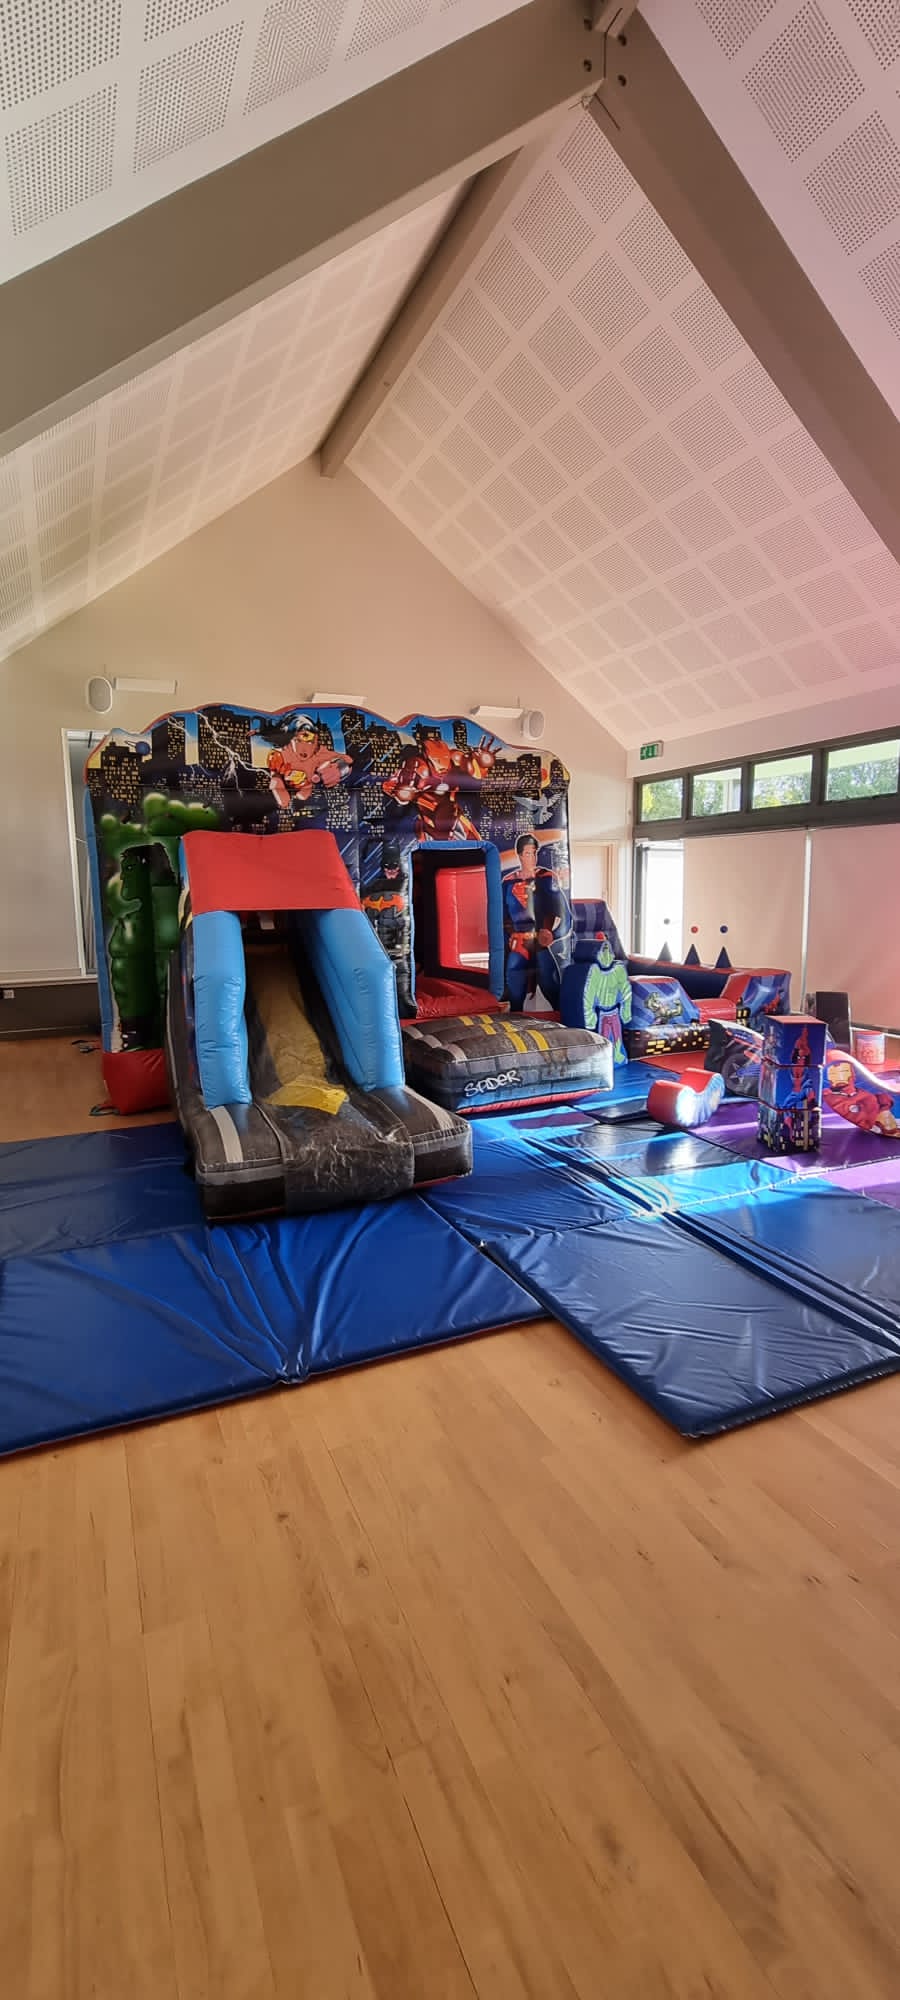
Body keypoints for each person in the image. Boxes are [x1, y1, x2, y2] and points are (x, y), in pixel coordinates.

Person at [503, 832, 570, 1010]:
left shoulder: (546, 878)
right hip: (518, 944)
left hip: (540, 942)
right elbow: (500, 918)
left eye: (534, 853)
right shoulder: (508, 882)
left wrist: (552, 934)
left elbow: (566, 915)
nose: (532, 858)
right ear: (519, 855)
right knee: (514, 992)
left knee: (551, 986)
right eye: (527, 853)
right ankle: (516, 1023)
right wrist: (507, 941)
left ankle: (559, 1021)